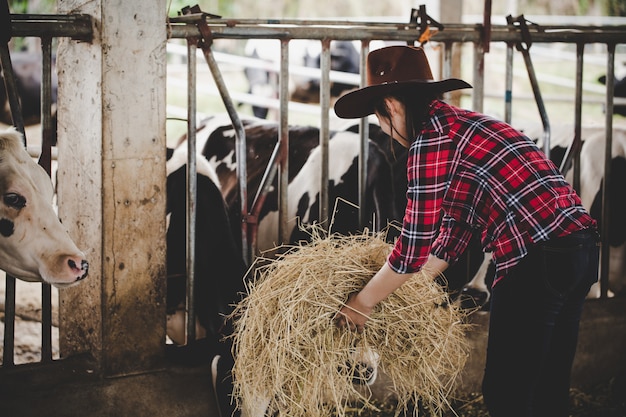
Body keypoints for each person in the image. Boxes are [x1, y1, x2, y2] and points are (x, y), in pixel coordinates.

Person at [333, 45, 600, 417]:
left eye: (379, 117)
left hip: (535, 262)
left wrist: (361, 304)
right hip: (580, 252)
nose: (384, 130)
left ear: (391, 106)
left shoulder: (431, 142)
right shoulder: (466, 126)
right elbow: (456, 226)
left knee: (507, 393)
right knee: (547, 386)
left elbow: (411, 246)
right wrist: (414, 287)